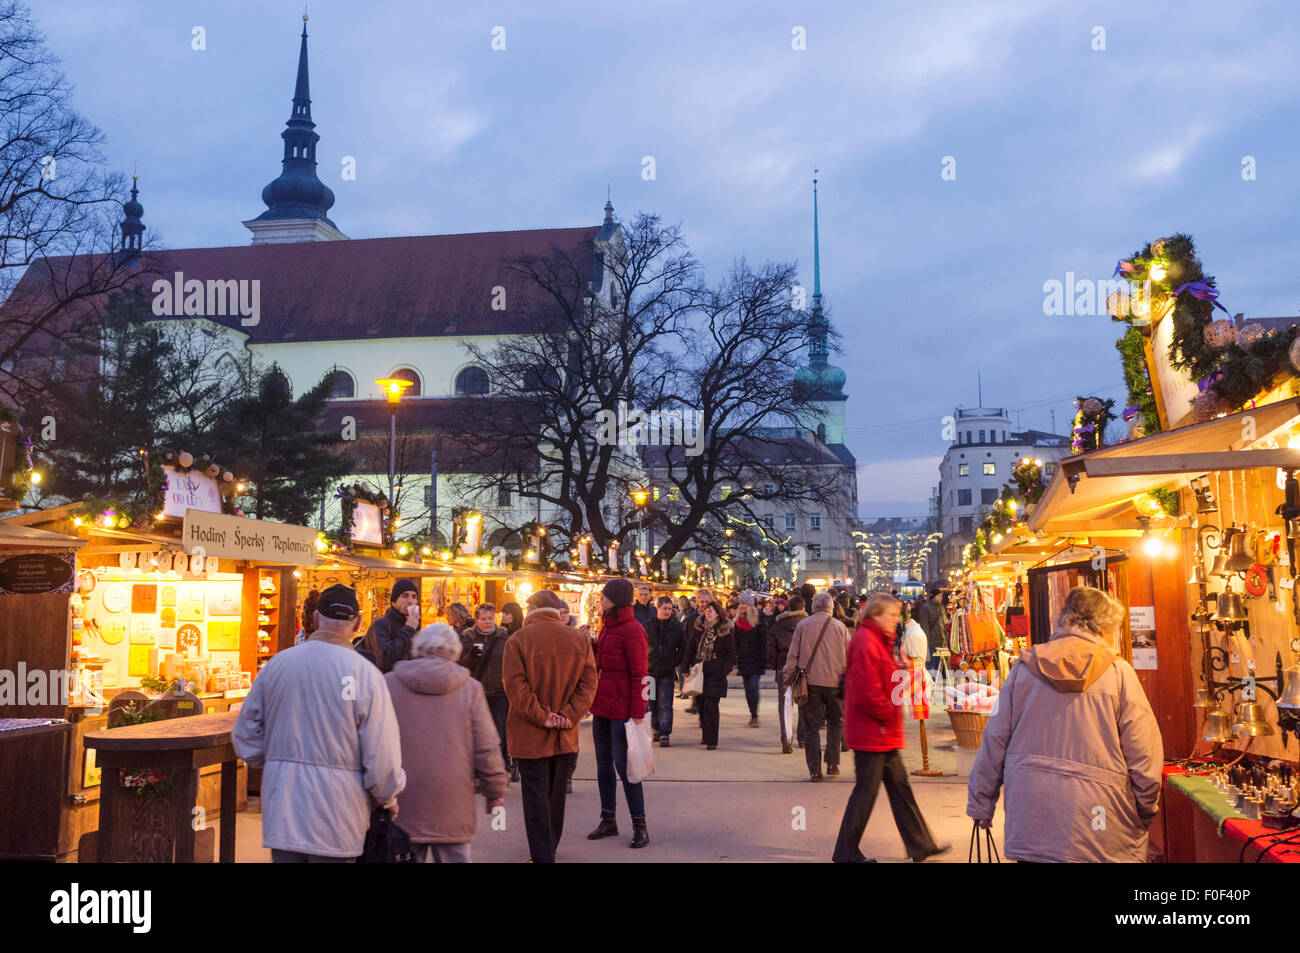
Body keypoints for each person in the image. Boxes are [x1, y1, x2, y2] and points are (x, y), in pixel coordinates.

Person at [967, 587, 1163, 862]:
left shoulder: (1022, 670)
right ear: (1104, 626)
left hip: (1032, 813)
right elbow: (1144, 753)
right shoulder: (1119, 674)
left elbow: (994, 741)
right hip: (1100, 819)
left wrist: (981, 803)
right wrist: (1145, 809)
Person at [233, 583, 405, 862]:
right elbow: (382, 756)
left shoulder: (277, 665)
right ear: (359, 622)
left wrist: (278, 763)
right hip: (338, 816)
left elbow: (246, 736)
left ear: (314, 619)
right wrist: (388, 797)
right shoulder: (366, 675)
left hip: (284, 813)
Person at [833, 592, 949, 863]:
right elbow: (866, 690)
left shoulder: (877, 640)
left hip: (882, 732)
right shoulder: (866, 641)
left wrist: (900, 673)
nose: (897, 620)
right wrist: (887, 712)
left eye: (898, 615)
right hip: (872, 732)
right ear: (876, 614)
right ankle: (845, 853)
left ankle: (920, 845)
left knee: (900, 789)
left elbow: (880, 678)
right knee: (865, 793)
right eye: (893, 615)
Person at [385, 623, 507, 862]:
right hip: (453, 803)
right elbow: (486, 745)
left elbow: (376, 743)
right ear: (455, 651)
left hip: (403, 801)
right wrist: (495, 790)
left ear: (418, 648)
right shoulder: (470, 688)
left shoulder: (390, 684)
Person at [502, 588, 599, 863]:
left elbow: (514, 686)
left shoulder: (518, 640)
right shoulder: (578, 639)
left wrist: (542, 715)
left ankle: (542, 854)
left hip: (530, 734)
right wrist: (569, 714)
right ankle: (551, 847)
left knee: (535, 797)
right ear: (557, 612)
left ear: (531, 609)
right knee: (556, 797)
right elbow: (589, 683)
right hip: (565, 735)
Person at [586, 578, 652, 848]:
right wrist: (590, 644)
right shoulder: (607, 625)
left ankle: (640, 824)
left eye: (604, 596)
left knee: (626, 769)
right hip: (602, 704)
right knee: (603, 766)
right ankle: (608, 818)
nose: (601, 599)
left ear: (616, 599)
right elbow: (604, 661)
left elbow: (641, 674)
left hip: (623, 708)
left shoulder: (633, 630)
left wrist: (638, 712)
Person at [783, 592, 850, 781]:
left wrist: (787, 678)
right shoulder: (841, 627)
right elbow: (850, 656)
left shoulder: (802, 626)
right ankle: (832, 763)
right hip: (835, 684)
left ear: (813, 606)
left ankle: (814, 770)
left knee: (812, 727)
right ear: (831, 607)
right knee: (835, 723)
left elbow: (792, 655)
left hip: (810, 683)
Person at [467, 603, 516, 781]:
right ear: (476, 620)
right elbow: (462, 666)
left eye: (490, 618)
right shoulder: (468, 638)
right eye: (483, 619)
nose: (487, 622)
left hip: (500, 693)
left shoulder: (504, 639)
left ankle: (501, 770)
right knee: (478, 735)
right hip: (477, 694)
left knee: (500, 733)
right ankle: (479, 774)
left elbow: (512, 663)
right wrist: (470, 657)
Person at [682, 599, 736, 749]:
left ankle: (712, 740)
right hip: (700, 670)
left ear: (718, 613)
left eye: (711, 611)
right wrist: (685, 667)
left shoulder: (724, 630)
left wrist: (725, 670)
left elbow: (731, 654)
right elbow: (691, 648)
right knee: (702, 705)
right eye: (706, 611)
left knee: (711, 706)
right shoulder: (699, 628)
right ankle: (706, 735)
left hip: (716, 671)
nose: (708, 613)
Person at [768, 595, 807, 754]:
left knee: (784, 704)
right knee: (804, 702)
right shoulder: (807, 625)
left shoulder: (777, 626)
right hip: (803, 668)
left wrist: (777, 665)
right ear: (803, 609)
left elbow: (770, 649)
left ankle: (786, 739)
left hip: (783, 667)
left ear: (788, 609)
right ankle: (803, 738)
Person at [357, 577, 421, 672]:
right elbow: (386, 659)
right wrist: (409, 628)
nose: (410, 601)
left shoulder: (414, 625)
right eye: (405, 596)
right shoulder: (381, 625)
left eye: (414, 596)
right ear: (394, 602)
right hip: (386, 683)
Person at [646, 595, 685, 747]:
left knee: (666, 703)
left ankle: (664, 732)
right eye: (665, 609)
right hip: (649, 671)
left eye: (669, 609)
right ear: (658, 608)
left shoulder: (676, 627)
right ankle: (655, 727)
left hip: (667, 672)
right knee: (651, 702)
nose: (667, 611)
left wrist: (675, 661)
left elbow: (682, 647)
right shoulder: (648, 626)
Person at [734, 592, 765, 727]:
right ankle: (752, 713)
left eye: (744, 604)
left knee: (753, 686)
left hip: (756, 659)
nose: (741, 607)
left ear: (750, 606)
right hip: (743, 659)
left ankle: (755, 716)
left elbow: (764, 641)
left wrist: (764, 659)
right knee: (747, 689)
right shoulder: (738, 622)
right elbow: (735, 642)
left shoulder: (759, 621)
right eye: (740, 604)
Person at [914, 586, 949, 680]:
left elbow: (944, 623)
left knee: (940, 663)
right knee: (932, 664)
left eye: (941, 596)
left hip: (941, 640)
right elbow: (924, 626)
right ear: (933, 596)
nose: (940, 598)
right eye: (938, 596)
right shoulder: (926, 608)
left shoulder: (941, 607)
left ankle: (940, 679)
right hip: (932, 641)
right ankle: (932, 681)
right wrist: (926, 642)